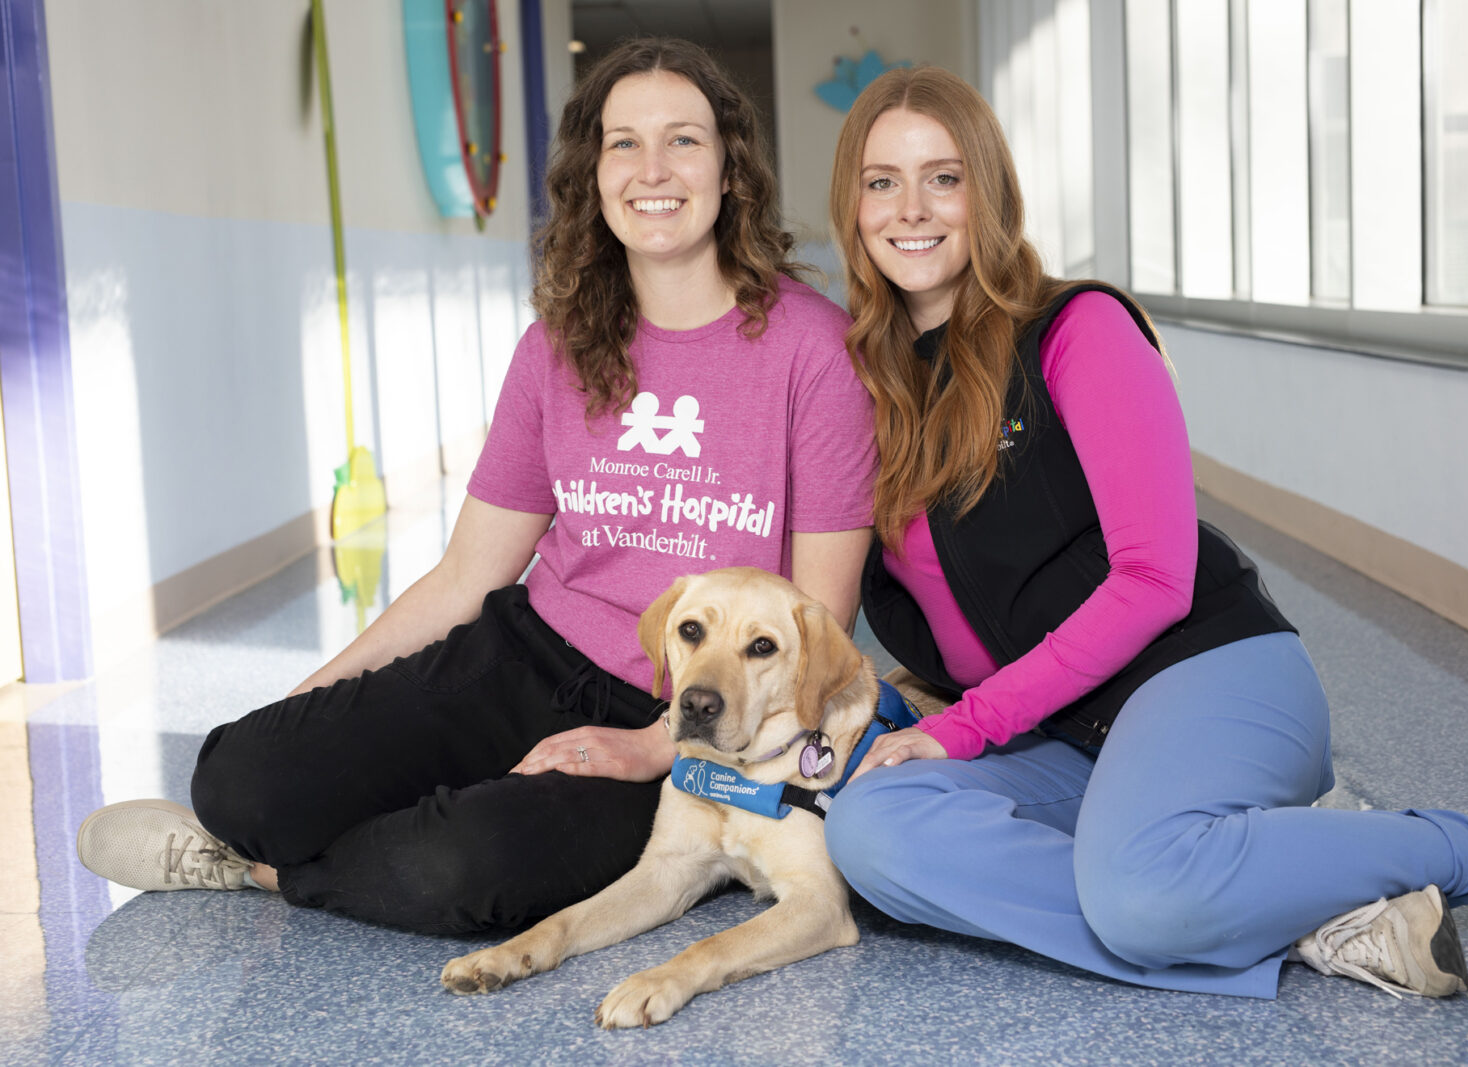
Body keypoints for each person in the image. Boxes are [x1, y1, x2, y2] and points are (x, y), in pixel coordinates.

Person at [75, 37, 876, 935]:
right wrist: (310, 705)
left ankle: (265, 873)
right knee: (239, 775)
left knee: (453, 866)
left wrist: (654, 745)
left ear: (731, 170)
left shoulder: (814, 349)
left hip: (683, 704)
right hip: (524, 654)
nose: (653, 168)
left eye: (684, 141)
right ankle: (302, 831)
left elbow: (819, 616)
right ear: (593, 173)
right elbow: (467, 575)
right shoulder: (559, 345)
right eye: (623, 143)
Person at [819, 65, 1468, 999]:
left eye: (943, 177)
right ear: (854, 204)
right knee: (872, 832)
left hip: (1205, 675)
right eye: (883, 181)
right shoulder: (871, 388)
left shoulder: (1078, 329)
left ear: (986, 192)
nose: (912, 207)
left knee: (1142, 898)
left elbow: (1156, 579)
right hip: (1063, 735)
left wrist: (969, 727)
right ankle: (1305, 916)